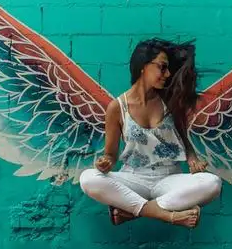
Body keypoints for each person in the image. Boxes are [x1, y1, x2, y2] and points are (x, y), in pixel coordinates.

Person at [79, 38, 222, 228]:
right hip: (133, 178)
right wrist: (105, 163)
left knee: (212, 183)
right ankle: (166, 215)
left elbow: (184, 142)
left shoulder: (171, 102)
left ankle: (131, 212)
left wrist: (193, 160)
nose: (167, 74)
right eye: (162, 67)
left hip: (169, 178)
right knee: (88, 179)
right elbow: (110, 155)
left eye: (168, 68)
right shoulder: (117, 107)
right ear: (143, 67)